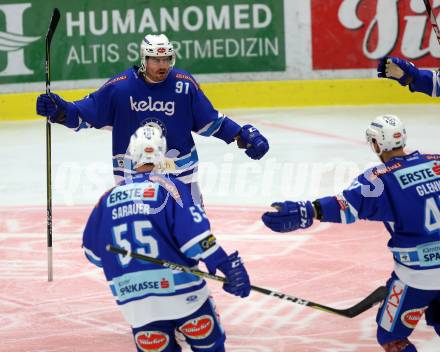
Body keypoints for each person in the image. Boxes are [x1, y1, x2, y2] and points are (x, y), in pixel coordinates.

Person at [261, 114, 440, 352]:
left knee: (392, 339)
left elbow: (346, 206)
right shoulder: (436, 161)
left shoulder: (380, 179)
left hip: (416, 278)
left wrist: (306, 211)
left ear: (376, 144)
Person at [82, 124, 251, 352]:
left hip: (135, 303)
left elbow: (94, 254)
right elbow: (196, 240)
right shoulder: (172, 189)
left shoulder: (107, 199)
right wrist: (223, 264)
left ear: (131, 155)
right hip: (183, 295)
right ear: (163, 155)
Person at [36, 33, 269, 192]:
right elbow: (84, 114)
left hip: (181, 178)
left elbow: (211, 122)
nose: (162, 65)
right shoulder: (121, 87)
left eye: (166, 58)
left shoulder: (183, 85)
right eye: (156, 59)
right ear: (144, 59)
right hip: (133, 179)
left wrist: (242, 135)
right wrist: (59, 110)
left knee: (190, 240)